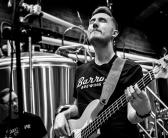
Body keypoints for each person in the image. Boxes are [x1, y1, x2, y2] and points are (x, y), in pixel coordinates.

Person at [53, 6, 152, 138]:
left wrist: (143, 111)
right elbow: (79, 107)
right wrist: (63, 115)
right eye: (92, 21)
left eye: (102, 20)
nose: (94, 23)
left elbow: (132, 117)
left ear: (114, 33)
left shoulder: (129, 68)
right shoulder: (80, 70)